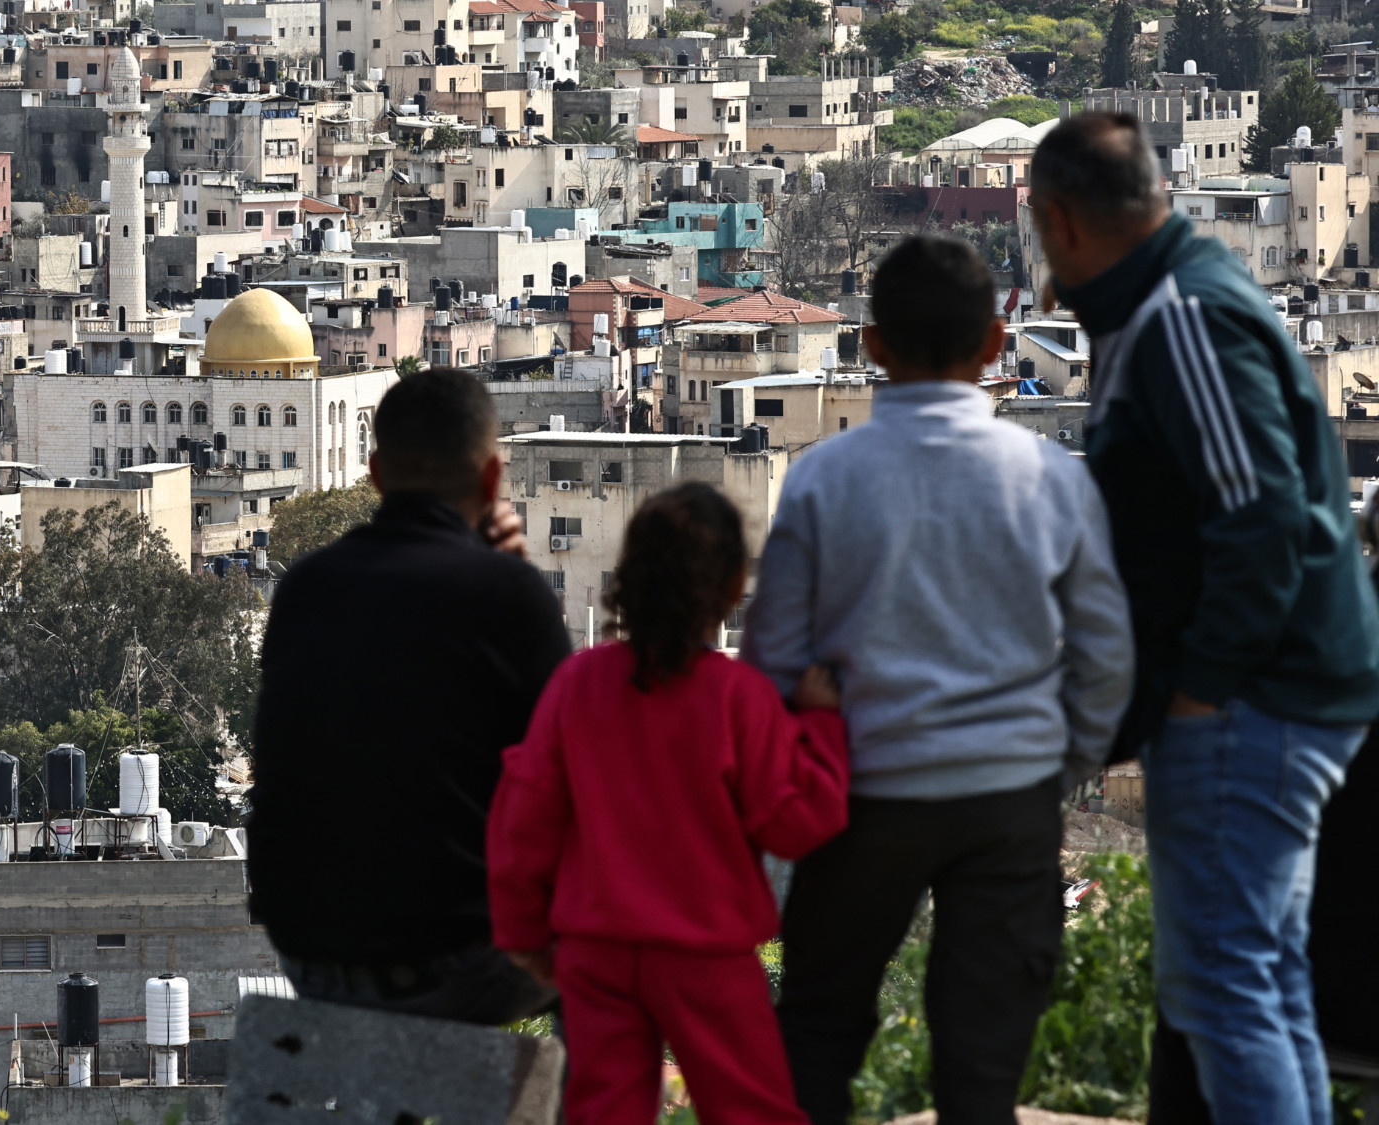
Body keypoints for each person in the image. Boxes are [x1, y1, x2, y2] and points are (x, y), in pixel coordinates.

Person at [1030, 111, 1379, 1125]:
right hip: (1270, 692)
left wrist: (1195, 693)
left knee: (1223, 986)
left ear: (1058, 218)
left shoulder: (1179, 317)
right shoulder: (1177, 305)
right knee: (1258, 986)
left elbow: (1260, 520)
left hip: (1250, 702)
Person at [744, 234, 1134, 1125]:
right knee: (983, 1053)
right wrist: (1054, 759)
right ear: (998, 343)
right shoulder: (1047, 478)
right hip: (1005, 797)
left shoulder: (823, 479)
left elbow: (771, 662)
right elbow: (1107, 656)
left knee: (819, 1029)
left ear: (872, 345)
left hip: (863, 795)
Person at [488, 483, 849, 1125]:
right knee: (753, 1110)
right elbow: (796, 825)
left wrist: (525, 934)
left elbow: (524, 820)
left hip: (597, 949)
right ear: (736, 586)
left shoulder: (579, 683)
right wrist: (821, 726)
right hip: (708, 952)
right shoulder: (740, 698)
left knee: (604, 1112)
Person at [247, 366, 570, 1025]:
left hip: (315, 956)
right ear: (491, 480)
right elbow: (579, 775)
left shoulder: (304, 588)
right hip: (467, 962)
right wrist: (514, 578)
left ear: (375, 475)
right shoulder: (510, 596)